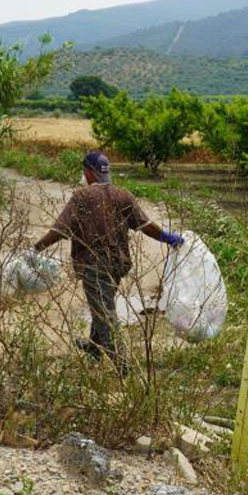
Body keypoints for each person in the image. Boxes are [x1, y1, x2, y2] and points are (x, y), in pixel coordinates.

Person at [33, 151, 183, 368]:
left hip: (94, 265)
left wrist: (37, 248)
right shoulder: (123, 195)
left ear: (88, 172)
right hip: (118, 264)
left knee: (104, 312)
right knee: (102, 304)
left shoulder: (82, 197)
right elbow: (146, 226)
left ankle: (122, 364)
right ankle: (94, 348)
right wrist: (168, 238)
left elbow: (60, 230)